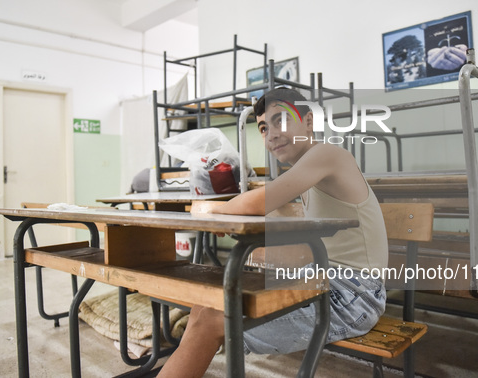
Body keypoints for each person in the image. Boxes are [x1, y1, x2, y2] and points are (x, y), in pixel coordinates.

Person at [158, 87, 388, 377]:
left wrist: (209, 209)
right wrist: (232, 214)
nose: (271, 134)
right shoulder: (309, 172)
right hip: (326, 282)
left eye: (281, 120)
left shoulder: (328, 155)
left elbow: (257, 203)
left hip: (355, 295)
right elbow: (278, 213)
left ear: (308, 122)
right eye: (265, 128)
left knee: (213, 321)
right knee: (204, 306)